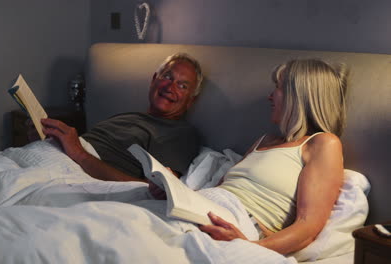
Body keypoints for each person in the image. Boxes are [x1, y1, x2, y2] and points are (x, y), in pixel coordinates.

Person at [151, 58, 348, 255]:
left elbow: (308, 228)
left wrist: (248, 246)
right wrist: (173, 192)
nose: (270, 96)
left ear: (298, 95)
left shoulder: (322, 143)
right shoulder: (264, 140)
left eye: (277, 88)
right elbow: (221, 188)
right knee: (128, 221)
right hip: (206, 206)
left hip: (237, 222)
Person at [35, 53, 204, 182]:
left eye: (182, 86)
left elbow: (153, 191)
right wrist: (47, 138)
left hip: (76, 173)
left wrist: (79, 153)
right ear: (154, 80)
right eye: (167, 77)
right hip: (54, 158)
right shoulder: (129, 117)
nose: (170, 87)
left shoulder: (181, 133)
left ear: (191, 101)